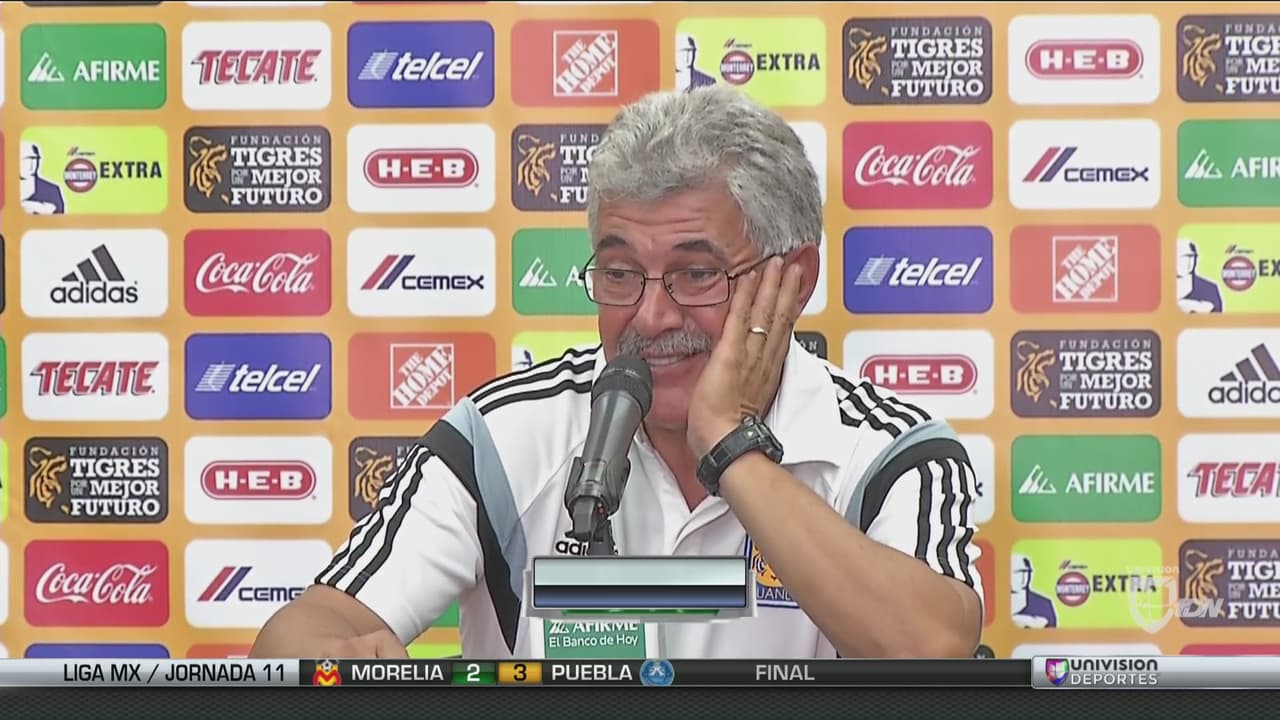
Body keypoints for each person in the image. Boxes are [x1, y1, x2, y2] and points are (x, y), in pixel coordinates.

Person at [251, 85, 984, 660]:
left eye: (696, 274)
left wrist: (731, 447)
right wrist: (332, 661)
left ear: (793, 279)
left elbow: (931, 651)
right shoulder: (505, 436)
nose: (651, 317)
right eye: (620, 273)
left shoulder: (890, 451)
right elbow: (310, 627)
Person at [1175, 238, 1223, 313]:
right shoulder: (1158, 287)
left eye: (1191, 257)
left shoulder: (1210, 289)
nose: (1188, 262)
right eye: (1182, 257)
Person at [1010, 554, 1057, 629]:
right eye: (1017, 572)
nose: (1024, 577)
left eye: (1026, 572)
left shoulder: (1044, 604)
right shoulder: (995, 602)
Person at [19, 141, 66, 215]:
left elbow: (60, 218)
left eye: (34, 159)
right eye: (25, 159)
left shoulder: (52, 190)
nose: (31, 164)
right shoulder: (4, 188)